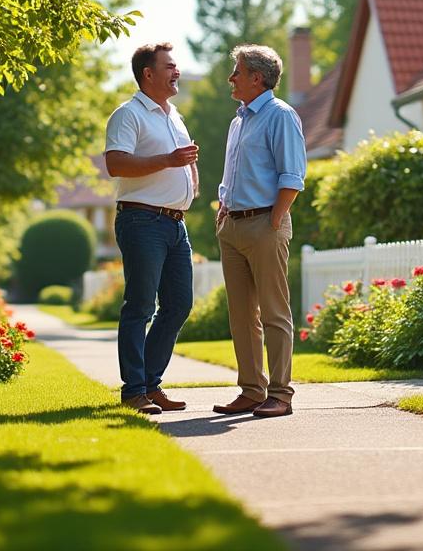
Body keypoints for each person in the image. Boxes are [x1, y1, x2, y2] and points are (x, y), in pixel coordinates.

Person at [211, 44, 306, 419]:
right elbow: (232, 174)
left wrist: (275, 219)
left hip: (266, 223)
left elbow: (292, 175)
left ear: (257, 77)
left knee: (273, 313)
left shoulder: (280, 115)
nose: (231, 78)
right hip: (232, 225)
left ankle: (280, 394)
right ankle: (252, 390)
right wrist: (222, 211)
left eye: (237, 71)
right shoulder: (239, 120)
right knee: (240, 316)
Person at [103, 43, 199, 415]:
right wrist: (169, 161)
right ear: (148, 73)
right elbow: (116, 164)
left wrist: (190, 180)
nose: (177, 72)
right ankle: (134, 391)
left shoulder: (174, 115)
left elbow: (180, 159)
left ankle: (151, 384)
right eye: (170, 67)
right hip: (142, 220)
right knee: (140, 306)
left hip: (176, 224)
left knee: (178, 304)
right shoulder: (127, 115)